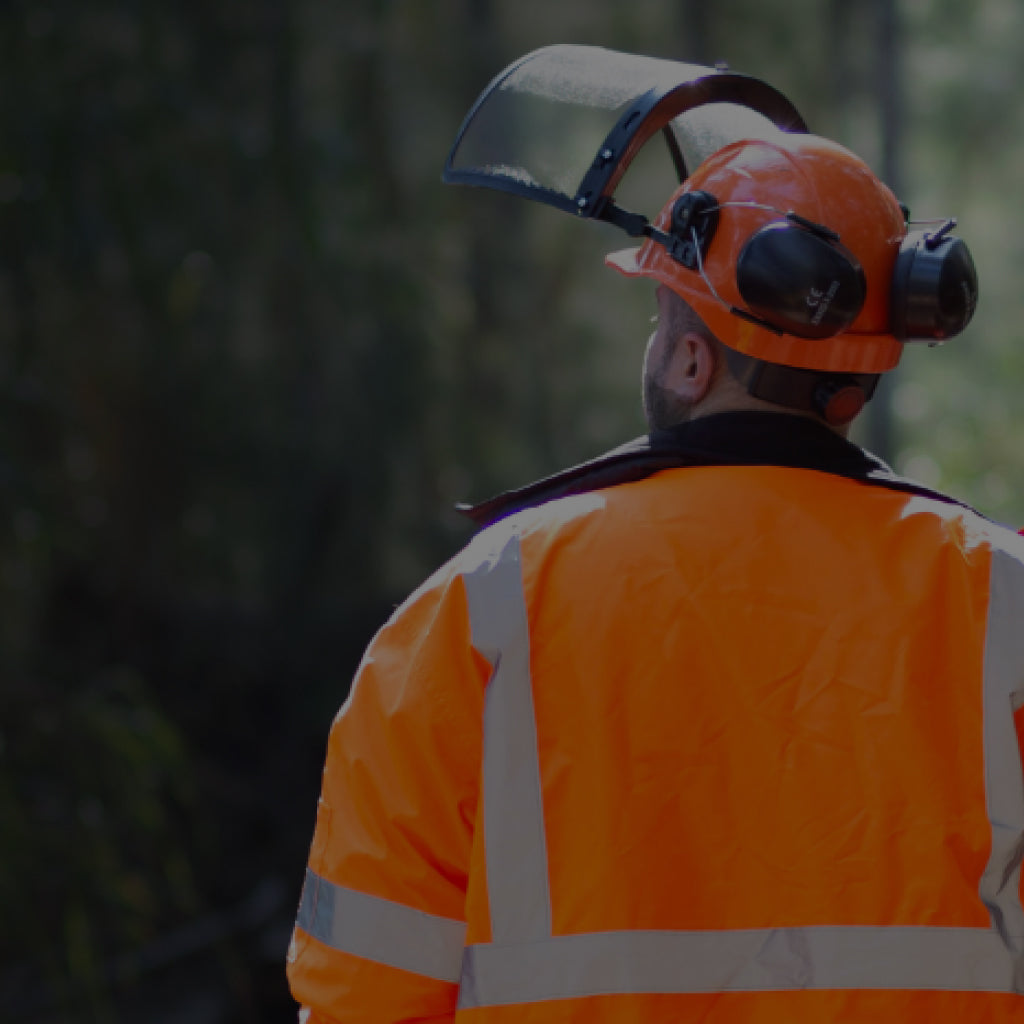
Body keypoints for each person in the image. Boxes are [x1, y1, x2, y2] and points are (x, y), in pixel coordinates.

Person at [286, 130, 1024, 1022]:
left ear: (689, 358)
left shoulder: (483, 605)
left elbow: (364, 991)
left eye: (660, 320)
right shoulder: (1003, 597)